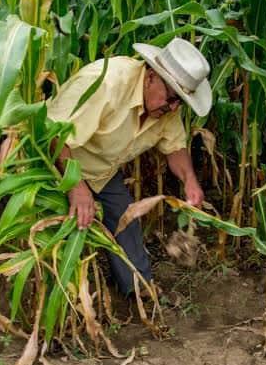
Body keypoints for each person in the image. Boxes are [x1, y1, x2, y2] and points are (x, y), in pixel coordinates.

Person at [47, 37, 212, 295]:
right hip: (59, 161)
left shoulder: (166, 108)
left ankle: (138, 289)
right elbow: (55, 135)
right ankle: (61, 295)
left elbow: (175, 147)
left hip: (102, 171)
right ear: (150, 77)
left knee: (126, 219)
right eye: (171, 98)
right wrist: (76, 186)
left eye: (180, 102)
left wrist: (189, 179)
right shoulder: (107, 83)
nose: (173, 108)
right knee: (64, 228)